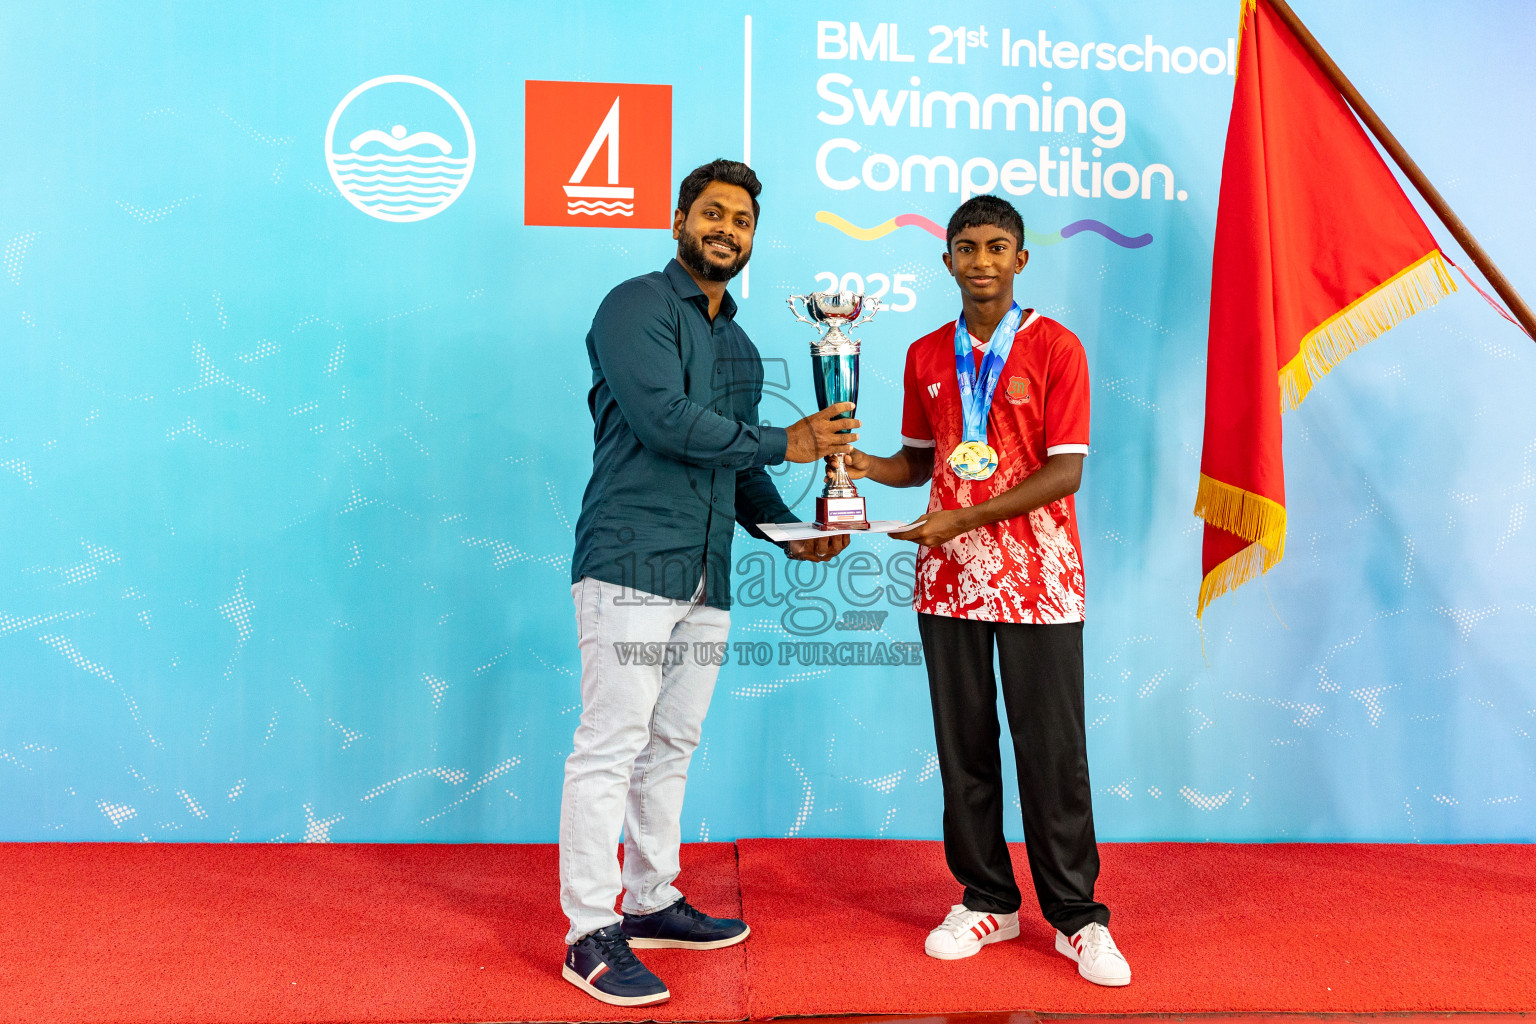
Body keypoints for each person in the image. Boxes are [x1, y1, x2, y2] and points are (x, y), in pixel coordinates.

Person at [560, 158, 855, 1007]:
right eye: (714, 213)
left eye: (743, 221)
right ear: (680, 218)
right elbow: (667, 423)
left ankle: (651, 901)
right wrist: (787, 442)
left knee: (672, 744)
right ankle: (588, 932)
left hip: (706, 576)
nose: (728, 230)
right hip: (630, 560)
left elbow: (735, 462)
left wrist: (791, 533)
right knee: (610, 745)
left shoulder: (740, 344)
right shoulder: (635, 306)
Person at [837, 194, 1131, 987]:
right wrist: (859, 467)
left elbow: (1064, 471)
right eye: (966, 248)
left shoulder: (1056, 347)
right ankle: (988, 901)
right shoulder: (926, 353)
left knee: (1052, 753)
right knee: (964, 749)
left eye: (997, 247)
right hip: (948, 582)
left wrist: (959, 515)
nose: (981, 261)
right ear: (947, 261)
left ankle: (1076, 918)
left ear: (1021, 259)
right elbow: (917, 462)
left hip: (1040, 579)